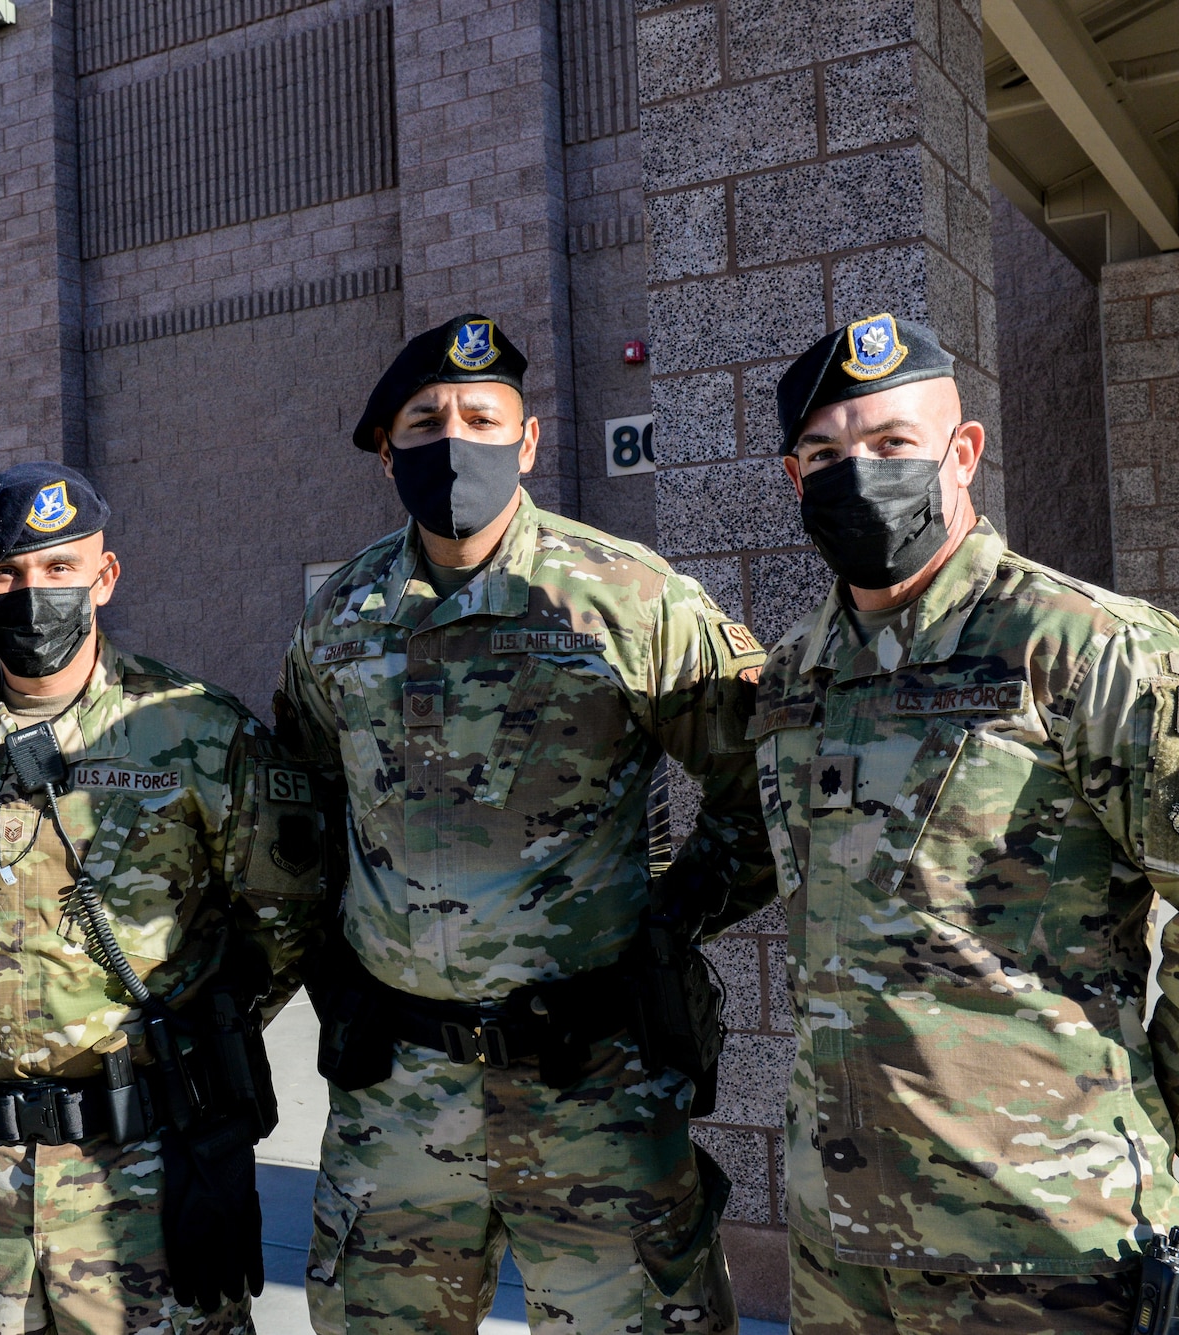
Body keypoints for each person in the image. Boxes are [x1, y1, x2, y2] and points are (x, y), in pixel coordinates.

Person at [752, 313, 1179, 1333]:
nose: (857, 472)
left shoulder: (1085, 648)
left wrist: (1164, 1141)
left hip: (1038, 1234)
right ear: (793, 481)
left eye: (890, 445)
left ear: (961, 451)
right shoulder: (797, 673)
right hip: (838, 1234)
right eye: (823, 455)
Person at [275, 314, 777, 1334]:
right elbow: (302, 809)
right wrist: (330, 957)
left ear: (529, 441)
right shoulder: (339, 620)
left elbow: (762, 784)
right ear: (387, 453)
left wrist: (669, 923)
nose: (454, 439)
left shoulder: (626, 601)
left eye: (480, 416)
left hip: (589, 1083)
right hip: (399, 1098)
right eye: (424, 421)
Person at [0, 463, 324, 1335]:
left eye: (60, 569)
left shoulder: (199, 735)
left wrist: (196, 1049)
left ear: (104, 577)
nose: (34, 594)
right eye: (7, 574)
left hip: (141, 1172)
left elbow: (284, 926)